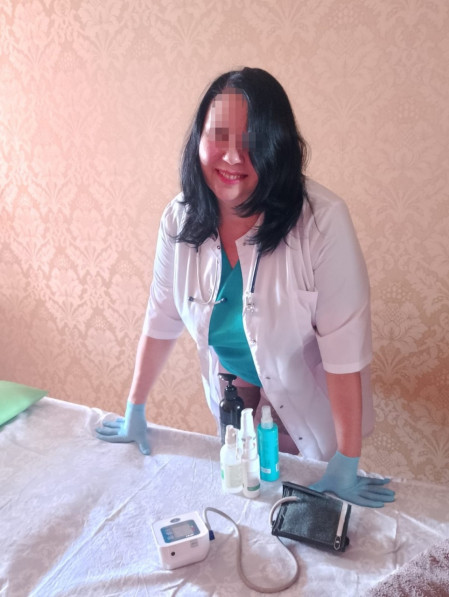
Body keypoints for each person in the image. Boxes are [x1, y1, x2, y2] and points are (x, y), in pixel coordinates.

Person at [96, 67, 395, 508]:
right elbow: (161, 317)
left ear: (279, 147)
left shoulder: (322, 221)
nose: (233, 157)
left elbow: (344, 351)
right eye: (219, 136)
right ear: (198, 138)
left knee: (286, 492)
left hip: (301, 385)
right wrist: (135, 408)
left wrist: (347, 459)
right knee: (243, 487)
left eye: (253, 141)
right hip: (233, 378)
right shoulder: (178, 218)